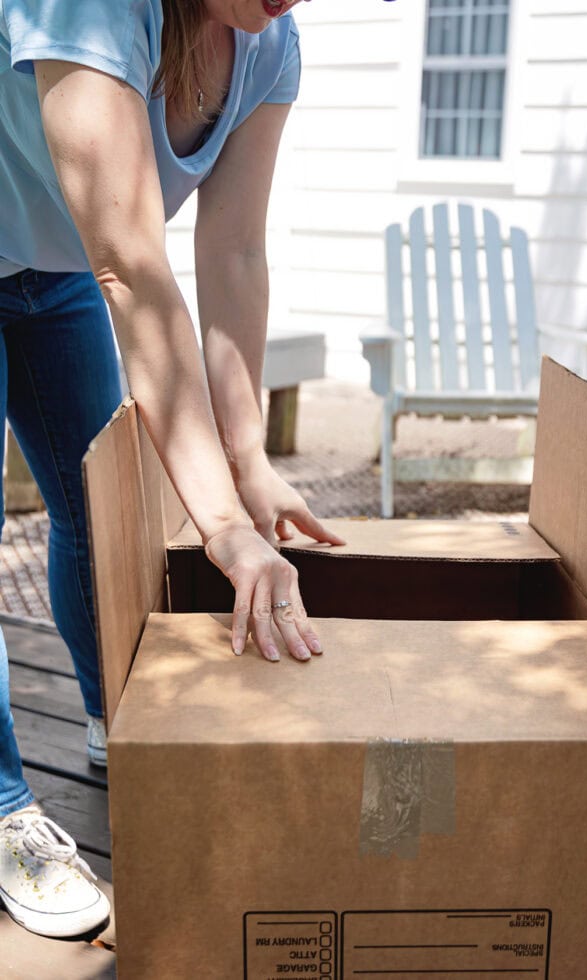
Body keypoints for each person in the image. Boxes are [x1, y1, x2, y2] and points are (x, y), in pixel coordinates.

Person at [0, 0, 377, 939]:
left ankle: (114, 721)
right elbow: (131, 258)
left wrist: (247, 461)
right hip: (90, 259)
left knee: (101, 505)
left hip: (55, 270)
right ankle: (6, 812)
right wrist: (222, 526)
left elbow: (234, 250)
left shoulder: (270, 40)